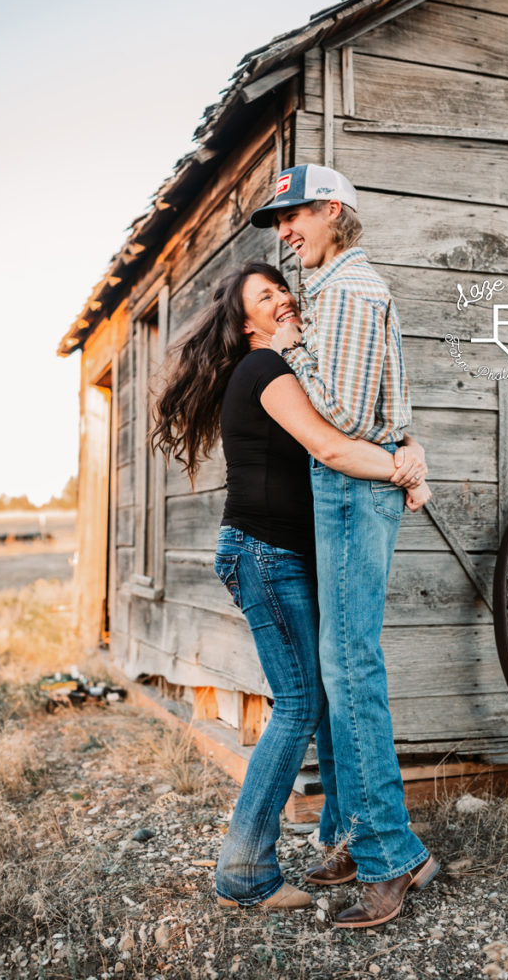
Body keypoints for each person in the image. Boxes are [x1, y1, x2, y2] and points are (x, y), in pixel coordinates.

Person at [151, 261, 429, 912]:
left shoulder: (293, 372)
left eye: (282, 289)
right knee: (300, 705)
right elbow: (330, 448)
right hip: (263, 555)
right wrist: (403, 469)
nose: (281, 300)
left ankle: (346, 841)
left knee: (326, 698)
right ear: (245, 323)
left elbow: (348, 423)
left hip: (277, 555)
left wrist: (405, 443)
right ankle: (244, 873)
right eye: (264, 296)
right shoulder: (263, 371)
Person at [250, 163, 439, 928]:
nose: (286, 233)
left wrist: (286, 345)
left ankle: (395, 856)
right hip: (347, 490)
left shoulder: (352, 292)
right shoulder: (332, 290)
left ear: (333, 209)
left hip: (355, 490)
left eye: (294, 216)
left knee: (351, 667)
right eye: (279, 223)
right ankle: (363, 840)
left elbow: (346, 415)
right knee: (340, 667)